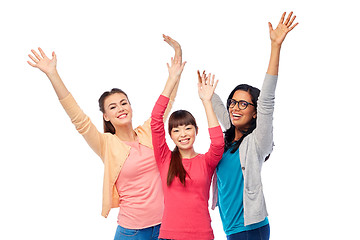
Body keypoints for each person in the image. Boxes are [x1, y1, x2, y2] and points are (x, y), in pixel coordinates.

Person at [27, 35, 183, 240]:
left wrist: (177, 59)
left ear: (131, 106)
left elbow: (167, 101)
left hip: (165, 227)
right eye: (113, 107)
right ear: (106, 116)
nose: (120, 108)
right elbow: (78, 118)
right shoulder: (106, 144)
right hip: (132, 232)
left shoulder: (148, 131)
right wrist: (53, 74)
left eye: (123, 103)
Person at [209, 12, 298, 240]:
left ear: (255, 111)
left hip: (250, 230)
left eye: (243, 103)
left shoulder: (258, 142)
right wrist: (205, 93)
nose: (235, 108)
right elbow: (217, 104)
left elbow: (267, 98)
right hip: (232, 229)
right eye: (233, 102)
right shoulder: (229, 137)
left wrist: (275, 47)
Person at [150, 55, 225, 240]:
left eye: (187, 128)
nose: (183, 134)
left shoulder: (206, 162)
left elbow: (218, 142)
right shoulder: (165, 158)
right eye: (176, 130)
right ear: (171, 136)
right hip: (169, 236)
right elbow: (156, 120)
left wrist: (207, 102)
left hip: (202, 236)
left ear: (196, 130)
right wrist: (172, 80)